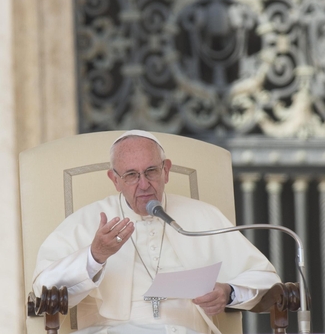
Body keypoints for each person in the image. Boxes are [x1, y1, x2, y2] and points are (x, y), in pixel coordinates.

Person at [32, 130, 280, 334]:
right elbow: (43, 290)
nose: (144, 184)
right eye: (131, 175)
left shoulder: (202, 216)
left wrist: (229, 292)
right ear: (114, 179)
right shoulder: (87, 221)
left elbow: (267, 280)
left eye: (151, 171)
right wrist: (94, 256)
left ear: (166, 171)